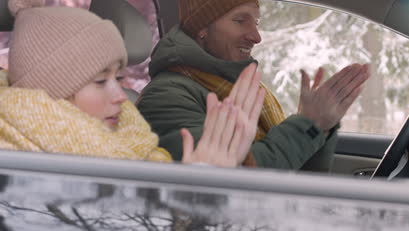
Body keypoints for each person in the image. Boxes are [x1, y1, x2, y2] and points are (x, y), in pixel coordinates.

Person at [0, 0, 265, 167]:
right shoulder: (20, 171)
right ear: (49, 93)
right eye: (101, 80)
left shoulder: (132, 151)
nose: (121, 97)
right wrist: (192, 200)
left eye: (118, 78)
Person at [137, 0, 371, 171]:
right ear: (202, 29)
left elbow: (301, 181)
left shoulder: (242, 87)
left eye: (256, 22)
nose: (256, 36)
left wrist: (321, 126)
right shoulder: (166, 97)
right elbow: (232, 185)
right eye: (240, 20)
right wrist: (308, 124)